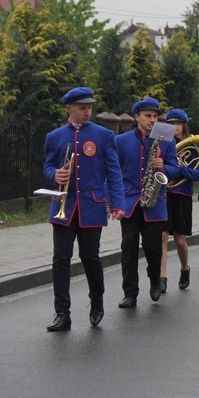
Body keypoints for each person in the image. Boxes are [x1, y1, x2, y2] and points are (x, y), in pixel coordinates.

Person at [42, 87, 126, 331]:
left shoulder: (103, 135)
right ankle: (62, 313)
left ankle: (97, 302)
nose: (87, 112)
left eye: (90, 107)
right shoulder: (55, 136)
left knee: (91, 257)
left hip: (92, 206)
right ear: (69, 109)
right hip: (64, 206)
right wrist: (53, 174)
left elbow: (113, 172)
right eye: (82, 108)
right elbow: (48, 166)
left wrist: (118, 203)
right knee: (60, 259)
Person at [116, 98, 179, 309]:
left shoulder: (166, 140)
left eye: (154, 116)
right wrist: (112, 201)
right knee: (128, 248)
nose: (152, 120)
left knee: (153, 248)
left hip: (155, 202)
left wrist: (164, 167)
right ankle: (130, 293)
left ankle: (154, 281)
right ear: (137, 117)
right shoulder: (122, 141)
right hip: (130, 201)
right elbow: (113, 172)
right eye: (147, 116)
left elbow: (175, 169)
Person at [160, 109, 199, 292]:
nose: (175, 127)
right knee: (162, 236)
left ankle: (184, 269)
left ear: (184, 125)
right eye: (171, 124)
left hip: (182, 194)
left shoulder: (193, 147)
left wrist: (179, 168)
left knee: (179, 240)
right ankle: (162, 277)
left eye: (178, 124)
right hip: (164, 192)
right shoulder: (162, 144)